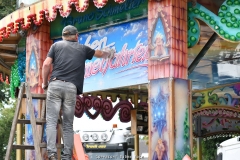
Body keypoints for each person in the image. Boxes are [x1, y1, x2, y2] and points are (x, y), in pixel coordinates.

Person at [42, 25, 115, 160]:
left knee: (52, 121)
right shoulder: (82, 48)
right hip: (71, 88)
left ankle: (52, 154)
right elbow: (99, 53)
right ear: (76, 36)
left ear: (63, 36)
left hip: (55, 85)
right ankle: (67, 156)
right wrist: (109, 53)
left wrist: (44, 83)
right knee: (68, 124)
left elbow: (46, 64)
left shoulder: (56, 46)